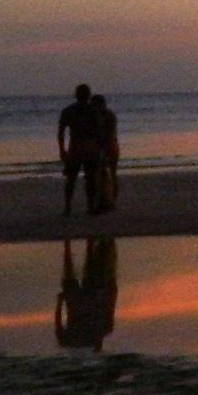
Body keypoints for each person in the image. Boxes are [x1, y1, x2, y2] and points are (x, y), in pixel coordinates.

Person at [55, 234, 119, 351]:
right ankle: (73, 243)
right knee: (81, 273)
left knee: (78, 273)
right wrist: (60, 302)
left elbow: (58, 325)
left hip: (81, 302)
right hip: (84, 300)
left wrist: (60, 302)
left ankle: (76, 243)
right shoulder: (102, 331)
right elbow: (109, 308)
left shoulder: (70, 341)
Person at [56, 83, 104, 217]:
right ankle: (90, 206)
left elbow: (61, 132)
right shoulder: (94, 110)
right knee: (90, 178)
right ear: (89, 95)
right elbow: (100, 131)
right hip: (89, 146)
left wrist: (62, 149)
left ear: (76, 95)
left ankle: (68, 207)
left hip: (75, 146)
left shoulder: (68, 110)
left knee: (71, 179)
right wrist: (101, 148)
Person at [91, 93, 119, 213]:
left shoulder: (106, 116)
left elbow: (106, 133)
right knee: (108, 174)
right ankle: (107, 201)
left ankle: (109, 201)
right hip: (109, 146)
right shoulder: (108, 115)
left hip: (108, 146)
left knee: (108, 174)